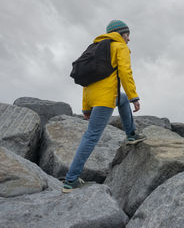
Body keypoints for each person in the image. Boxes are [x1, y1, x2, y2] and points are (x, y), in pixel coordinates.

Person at [62, 20, 145, 193]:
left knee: (121, 99)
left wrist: (86, 107)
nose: (129, 39)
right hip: (105, 99)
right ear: (121, 34)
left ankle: (131, 134)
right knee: (91, 136)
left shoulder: (96, 48)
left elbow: (87, 81)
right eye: (127, 34)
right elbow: (125, 73)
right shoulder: (119, 47)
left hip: (94, 97)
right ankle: (71, 180)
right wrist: (134, 97)